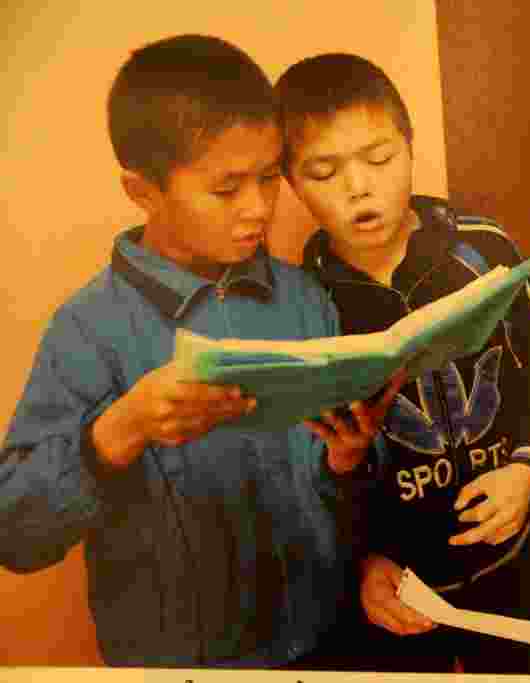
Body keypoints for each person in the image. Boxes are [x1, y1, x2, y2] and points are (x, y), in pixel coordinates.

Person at [0, 34, 401, 669]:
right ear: (143, 191)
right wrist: (118, 431)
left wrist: (348, 461)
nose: (259, 209)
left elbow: (345, 501)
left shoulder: (304, 299)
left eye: (269, 178)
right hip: (186, 666)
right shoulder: (88, 330)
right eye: (226, 189)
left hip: (329, 643)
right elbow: (16, 537)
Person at [274, 53, 530, 674]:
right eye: (324, 172)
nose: (358, 187)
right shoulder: (305, 304)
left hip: (509, 554)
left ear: (410, 148)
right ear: (292, 184)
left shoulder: (482, 249)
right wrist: (360, 559)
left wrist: (529, 467)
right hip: (396, 582)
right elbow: (307, 470)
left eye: (379, 159)